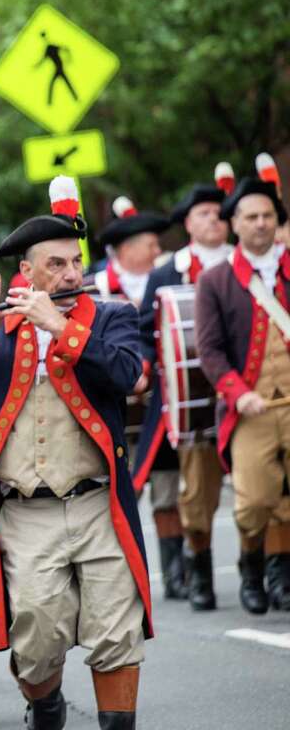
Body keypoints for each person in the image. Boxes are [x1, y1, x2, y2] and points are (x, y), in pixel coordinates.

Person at [0, 177, 152, 730]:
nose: (71, 275)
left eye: (75, 263)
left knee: (115, 634)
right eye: (55, 265)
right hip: (26, 512)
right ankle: (46, 705)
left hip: (100, 505)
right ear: (24, 274)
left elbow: (129, 375)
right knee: (36, 635)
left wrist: (62, 327)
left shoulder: (111, 316)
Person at [132, 168, 234, 610]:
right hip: (186, 400)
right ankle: (194, 570)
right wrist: (143, 365)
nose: (214, 219)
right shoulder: (166, 273)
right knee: (188, 491)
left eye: (219, 212)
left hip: (244, 392)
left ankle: (269, 570)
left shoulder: (245, 264)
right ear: (188, 223)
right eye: (204, 213)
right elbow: (142, 331)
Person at [195, 166, 290, 614]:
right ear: (234, 223)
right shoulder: (215, 281)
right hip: (251, 408)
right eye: (250, 217)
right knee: (253, 501)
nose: (260, 224)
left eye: (267, 215)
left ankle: (281, 573)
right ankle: (251, 565)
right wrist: (237, 392)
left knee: (288, 501)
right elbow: (210, 351)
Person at [94, 196, 184, 601]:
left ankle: (177, 572)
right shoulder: (94, 286)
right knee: (115, 501)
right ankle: (122, 577)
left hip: (156, 409)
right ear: (127, 250)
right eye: (149, 244)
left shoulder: (166, 280)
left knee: (167, 490)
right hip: (109, 412)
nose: (156, 250)